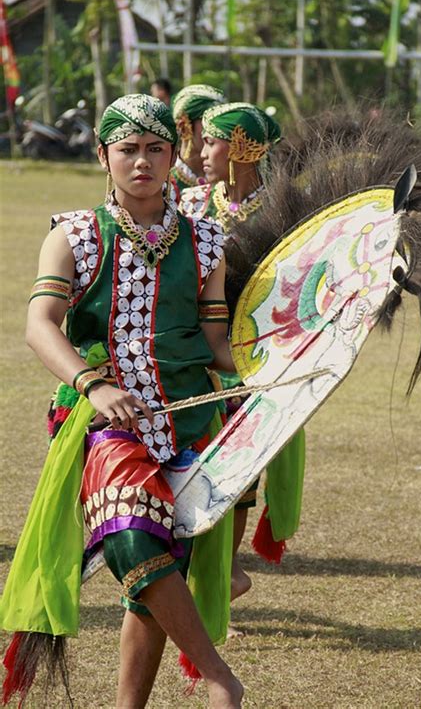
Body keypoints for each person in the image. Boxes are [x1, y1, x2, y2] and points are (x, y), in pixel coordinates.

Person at [0, 94, 243, 709]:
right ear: (104, 155)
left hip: (190, 420)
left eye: (155, 149)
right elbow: (40, 325)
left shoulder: (208, 241)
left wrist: (299, 352)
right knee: (132, 540)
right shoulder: (74, 235)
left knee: (158, 575)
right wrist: (93, 383)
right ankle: (220, 677)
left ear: (172, 155)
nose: (142, 162)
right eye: (128, 150)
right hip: (106, 421)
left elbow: (217, 342)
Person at [179, 102, 306, 606]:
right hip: (194, 355)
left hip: (252, 358)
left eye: (212, 142)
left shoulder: (285, 210)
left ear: (242, 149)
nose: (201, 151)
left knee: (240, 472)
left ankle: (225, 570)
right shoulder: (188, 204)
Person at [170, 84, 226, 194]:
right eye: (209, 122)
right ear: (184, 126)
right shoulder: (163, 183)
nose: (217, 130)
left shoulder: (229, 179)